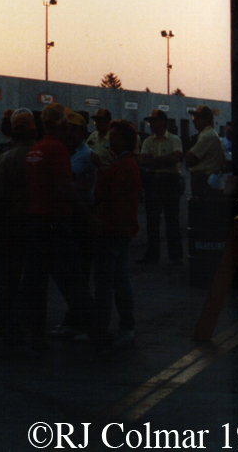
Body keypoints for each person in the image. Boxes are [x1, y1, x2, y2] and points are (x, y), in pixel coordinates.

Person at [20, 103, 83, 353]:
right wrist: (85, 215)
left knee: (35, 282)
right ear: (64, 125)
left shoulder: (35, 149)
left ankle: (34, 335)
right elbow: (64, 187)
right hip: (54, 223)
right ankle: (96, 331)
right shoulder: (57, 149)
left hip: (34, 222)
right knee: (72, 280)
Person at [0, 108, 37, 349]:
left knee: (7, 276)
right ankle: (32, 325)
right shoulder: (41, 154)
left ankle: (8, 326)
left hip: (10, 224)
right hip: (37, 223)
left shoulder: (4, 155)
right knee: (34, 275)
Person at [92, 119, 141, 349]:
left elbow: (105, 193)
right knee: (120, 280)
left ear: (124, 139)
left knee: (104, 282)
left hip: (112, 228)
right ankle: (126, 326)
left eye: (114, 135)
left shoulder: (121, 166)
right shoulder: (126, 163)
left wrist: (99, 171)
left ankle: (100, 329)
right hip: (121, 229)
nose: (109, 138)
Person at [51, 111, 97, 340]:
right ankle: (80, 317)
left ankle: (81, 320)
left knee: (78, 269)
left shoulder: (84, 155)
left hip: (81, 214)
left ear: (82, 132)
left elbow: (63, 180)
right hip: (71, 213)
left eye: (74, 129)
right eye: (67, 128)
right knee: (73, 270)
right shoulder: (66, 152)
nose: (69, 133)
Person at [138, 109, 184, 264]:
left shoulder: (174, 139)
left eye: (153, 121)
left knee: (172, 219)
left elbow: (176, 158)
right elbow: (143, 161)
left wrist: (154, 160)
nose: (150, 123)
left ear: (163, 122)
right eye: (150, 121)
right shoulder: (147, 141)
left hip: (170, 181)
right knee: (152, 220)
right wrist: (164, 160)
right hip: (153, 182)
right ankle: (152, 255)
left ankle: (176, 256)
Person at [185, 105, 225, 197]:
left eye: (197, 117)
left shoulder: (207, 135)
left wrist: (190, 156)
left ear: (206, 119)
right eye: (193, 117)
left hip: (203, 181)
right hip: (204, 179)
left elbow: (189, 157)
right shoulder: (206, 134)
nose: (193, 120)